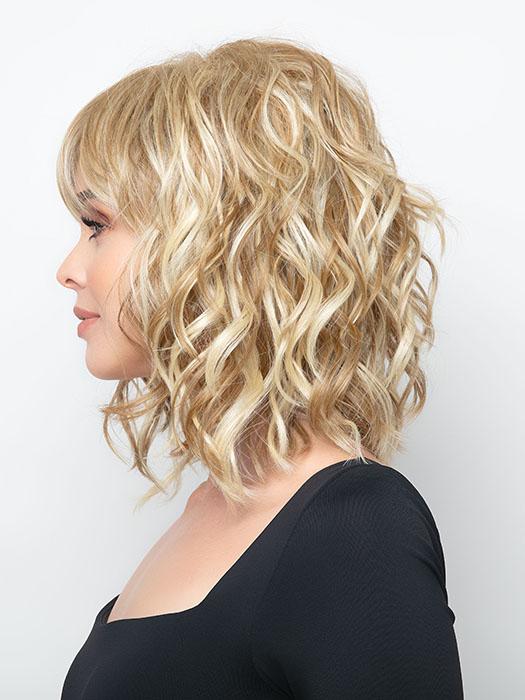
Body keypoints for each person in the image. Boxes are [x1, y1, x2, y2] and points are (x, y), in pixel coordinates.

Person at [56, 36, 464, 699]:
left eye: (97, 224)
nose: (69, 269)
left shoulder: (353, 526)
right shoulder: (211, 507)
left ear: (217, 241)